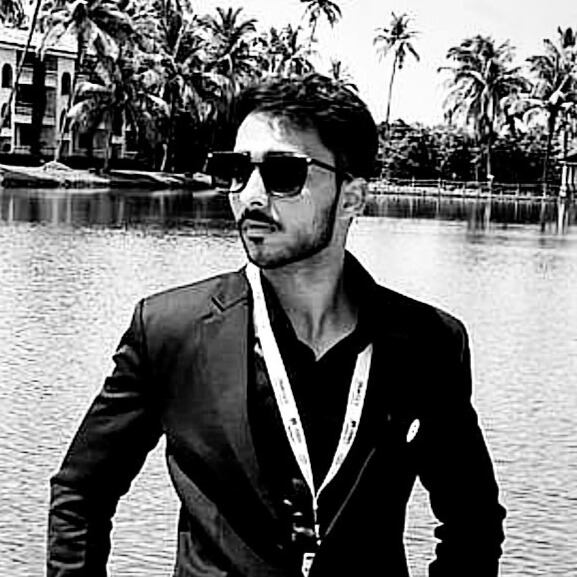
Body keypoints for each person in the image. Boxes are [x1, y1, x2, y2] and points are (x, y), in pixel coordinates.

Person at [47, 73, 506, 577]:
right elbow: (82, 494)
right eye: (236, 170)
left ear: (351, 197)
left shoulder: (427, 344)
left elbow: (473, 521)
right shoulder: (169, 330)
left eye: (283, 174)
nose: (251, 195)